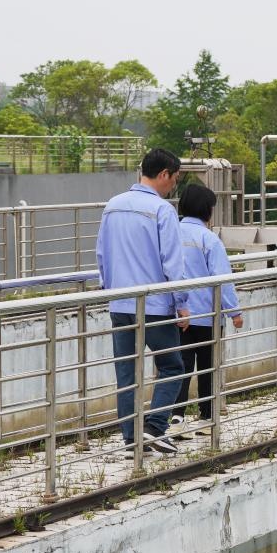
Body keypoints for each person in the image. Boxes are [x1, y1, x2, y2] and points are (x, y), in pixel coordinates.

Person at [96, 148, 189, 455]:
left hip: (120, 303)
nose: (173, 185)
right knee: (172, 366)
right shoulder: (161, 210)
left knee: (126, 372)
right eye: (174, 179)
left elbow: (101, 255)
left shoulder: (113, 205)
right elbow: (173, 263)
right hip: (154, 305)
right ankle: (155, 427)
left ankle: (130, 439)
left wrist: (109, 290)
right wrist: (182, 304)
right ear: (163, 175)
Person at [169, 184, 243, 438]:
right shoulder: (209, 239)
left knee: (180, 367)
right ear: (207, 211)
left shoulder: (171, 234)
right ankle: (206, 417)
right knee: (208, 367)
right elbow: (222, 278)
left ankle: (176, 418)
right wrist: (234, 311)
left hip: (179, 314)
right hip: (208, 316)